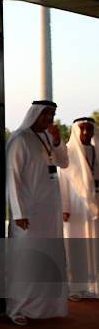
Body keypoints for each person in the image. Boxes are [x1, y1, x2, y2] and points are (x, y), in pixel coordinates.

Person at [6, 100, 69, 326]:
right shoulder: (20, 139)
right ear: (35, 115)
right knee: (26, 261)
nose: (50, 120)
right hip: (27, 214)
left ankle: (45, 307)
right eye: (46, 115)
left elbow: (64, 162)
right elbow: (12, 177)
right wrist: (18, 212)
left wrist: (58, 140)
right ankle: (18, 308)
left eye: (52, 115)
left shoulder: (47, 138)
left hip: (49, 212)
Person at [59, 117, 99, 299]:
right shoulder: (68, 153)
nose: (86, 133)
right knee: (76, 248)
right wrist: (64, 207)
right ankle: (74, 288)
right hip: (75, 210)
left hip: (95, 207)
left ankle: (93, 287)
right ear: (76, 131)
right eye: (82, 129)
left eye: (89, 130)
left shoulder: (96, 151)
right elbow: (62, 182)